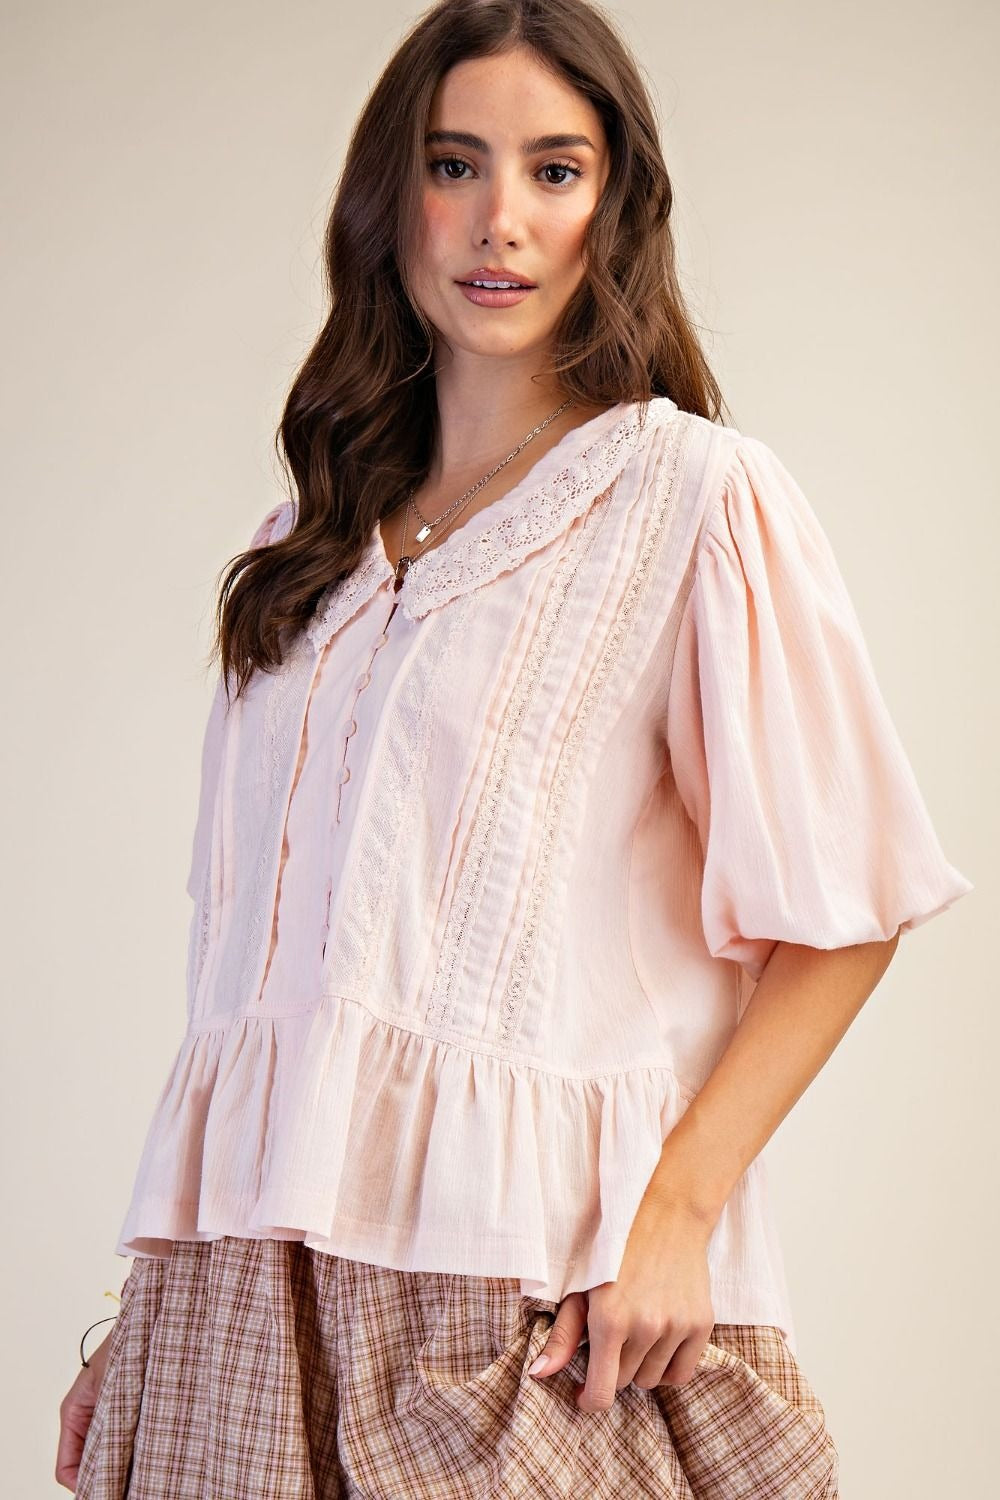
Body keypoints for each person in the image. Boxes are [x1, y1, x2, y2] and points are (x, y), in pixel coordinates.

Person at [57, 1, 973, 1496]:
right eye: (452, 164)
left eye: (556, 171)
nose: (501, 221)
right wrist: (144, 1314)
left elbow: (848, 916)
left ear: (615, 204)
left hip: (525, 1299)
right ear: (388, 199)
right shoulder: (299, 545)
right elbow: (241, 974)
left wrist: (675, 1211)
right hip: (227, 1322)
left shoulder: (693, 502)